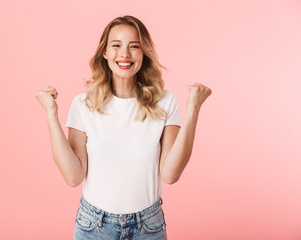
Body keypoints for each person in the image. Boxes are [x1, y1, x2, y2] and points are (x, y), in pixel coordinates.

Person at [35, 15, 211, 240]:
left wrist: (193, 109)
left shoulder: (165, 102)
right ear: (105, 53)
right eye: (116, 45)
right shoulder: (83, 104)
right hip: (94, 226)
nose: (125, 54)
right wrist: (51, 114)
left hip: (148, 227)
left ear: (144, 53)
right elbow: (73, 177)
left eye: (134, 46)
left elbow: (171, 173)